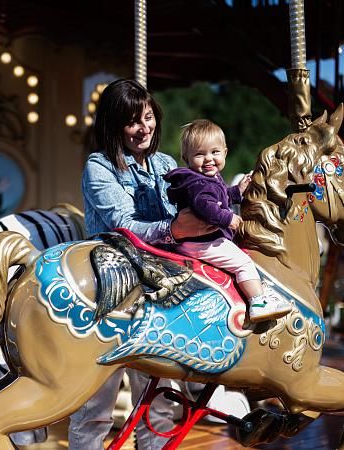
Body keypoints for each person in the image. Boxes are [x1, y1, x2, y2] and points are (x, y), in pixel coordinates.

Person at [71, 79, 214, 450]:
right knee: (95, 407)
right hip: (113, 287)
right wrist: (173, 227)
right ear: (114, 125)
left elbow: (196, 202)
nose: (144, 127)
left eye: (148, 117)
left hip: (159, 289)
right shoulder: (98, 166)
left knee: (159, 405)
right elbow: (124, 222)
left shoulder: (166, 164)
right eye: (132, 121)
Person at [164, 119, 292, 322]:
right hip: (203, 242)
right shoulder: (199, 183)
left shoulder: (209, 180)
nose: (208, 159)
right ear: (186, 158)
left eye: (214, 152)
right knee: (243, 263)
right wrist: (228, 218)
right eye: (199, 154)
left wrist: (237, 191)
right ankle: (258, 302)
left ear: (225, 152)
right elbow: (206, 206)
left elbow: (220, 197)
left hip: (200, 241)